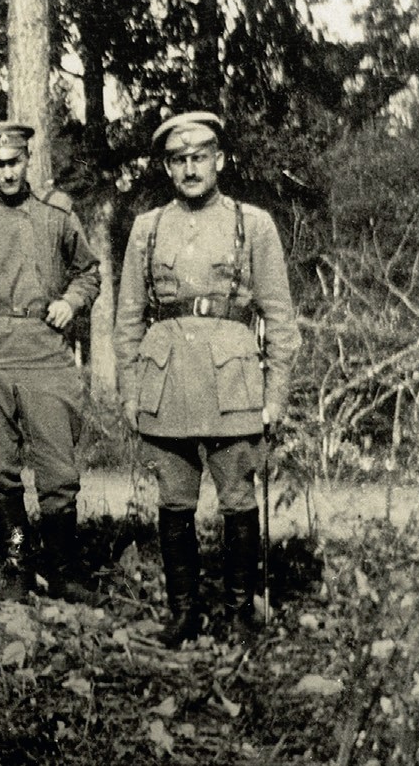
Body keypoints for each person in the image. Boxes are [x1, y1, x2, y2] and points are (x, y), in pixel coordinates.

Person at [113, 111, 299, 646]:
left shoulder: (252, 223)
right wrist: (131, 390)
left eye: (200, 157)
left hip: (233, 382)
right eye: (179, 159)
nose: (190, 168)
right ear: (167, 167)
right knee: (174, 502)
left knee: (238, 500)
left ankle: (239, 614)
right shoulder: (148, 228)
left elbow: (280, 318)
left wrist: (275, 394)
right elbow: (128, 319)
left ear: (219, 160)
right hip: (166, 379)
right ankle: (183, 613)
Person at [0, 121, 102, 603]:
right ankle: (18, 567)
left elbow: (89, 272)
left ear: (28, 160)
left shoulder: (57, 214)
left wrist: (71, 301)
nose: (8, 173)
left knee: (59, 470)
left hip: (44, 349)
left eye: (15, 162)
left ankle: (64, 570)